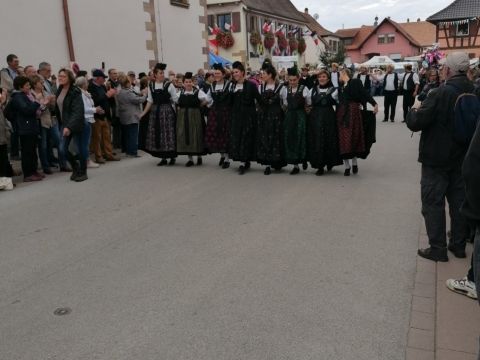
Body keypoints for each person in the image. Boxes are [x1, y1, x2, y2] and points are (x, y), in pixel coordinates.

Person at [406, 52, 473, 262]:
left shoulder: (439, 93)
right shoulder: (475, 90)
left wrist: (414, 109)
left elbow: (416, 123)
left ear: (448, 70)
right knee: (458, 201)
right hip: (463, 156)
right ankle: (458, 245)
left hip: (436, 157)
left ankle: (437, 248)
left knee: (433, 203)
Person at [337, 68, 378, 176]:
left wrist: (374, 104)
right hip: (342, 114)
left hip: (353, 113)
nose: (339, 76)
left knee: (353, 138)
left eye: (340, 74)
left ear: (344, 73)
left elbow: (364, 93)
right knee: (343, 140)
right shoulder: (340, 87)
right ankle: (347, 166)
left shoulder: (354, 82)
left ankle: (354, 162)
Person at [9, 76, 47, 182]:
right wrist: (37, 101)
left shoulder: (24, 95)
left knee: (32, 151)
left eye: (29, 85)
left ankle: (33, 171)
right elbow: (27, 110)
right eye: (27, 85)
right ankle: (28, 174)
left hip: (30, 126)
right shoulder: (18, 97)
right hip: (25, 128)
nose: (29, 87)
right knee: (27, 152)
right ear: (20, 87)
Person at [140, 63, 179, 166]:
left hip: (167, 112)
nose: (162, 75)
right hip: (155, 112)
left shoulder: (169, 85)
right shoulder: (151, 85)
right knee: (158, 133)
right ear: (155, 75)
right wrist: (143, 113)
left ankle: (171, 156)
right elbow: (149, 101)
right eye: (160, 73)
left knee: (168, 134)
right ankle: (163, 157)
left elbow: (176, 99)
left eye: (163, 73)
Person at [307, 69, 342, 175]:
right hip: (315, 117)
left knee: (329, 139)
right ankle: (320, 165)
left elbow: (340, 104)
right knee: (318, 140)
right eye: (320, 77)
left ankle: (330, 162)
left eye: (324, 77)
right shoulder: (312, 90)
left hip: (329, 117)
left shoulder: (334, 90)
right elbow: (308, 103)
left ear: (328, 78)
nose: (321, 79)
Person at [229, 61, 260, 175]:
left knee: (246, 138)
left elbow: (259, 100)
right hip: (236, 116)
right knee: (238, 138)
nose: (235, 74)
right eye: (233, 72)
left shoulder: (251, 85)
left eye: (236, 72)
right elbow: (230, 102)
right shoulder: (232, 85)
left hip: (248, 116)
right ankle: (242, 161)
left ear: (242, 72)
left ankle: (244, 161)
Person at [56, 68, 87, 182]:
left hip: (76, 124)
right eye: (59, 76)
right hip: (64, 124)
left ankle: (83, 172)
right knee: (62, 149)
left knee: (80, 149)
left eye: (63, 76)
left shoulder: (75, 91)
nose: (60, 78)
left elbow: (77, 111)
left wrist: (69, 127)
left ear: (69, 78)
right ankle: (76, 168)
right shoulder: (59, 89)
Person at [256, 64, 286, 175]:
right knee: (265, 138)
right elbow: (258, 102)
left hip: (276, 116)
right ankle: (267, 164)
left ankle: (276, 162)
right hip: (264, 116)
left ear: (270, 75)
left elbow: (285, 102)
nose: (262, 75)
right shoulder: (260, 87)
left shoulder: (281, 87)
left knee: (276, 138)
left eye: (264, 73)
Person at [176, 72, 209, 166]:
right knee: (186, 135)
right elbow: (175, 101)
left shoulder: (197, 91)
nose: (188, 83)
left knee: (197, 134)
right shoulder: (180, 93)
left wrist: (200, 105)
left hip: (195, 116)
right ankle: (190, 159)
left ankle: (199, 156)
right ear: (183, 83)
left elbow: (207, 99)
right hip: (183, 117)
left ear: (192, 82)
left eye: (190, 81)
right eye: (186, 82)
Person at [284, 66, 311, 175]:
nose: (292, 82)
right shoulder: (285, 90)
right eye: (290, 80)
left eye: (294, 80)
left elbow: (309, 102)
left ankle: (303, 159)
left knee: (301, 138)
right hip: (290, 116)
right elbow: (285, 104)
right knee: (291, 138)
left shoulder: (304, 89)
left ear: (298, 79)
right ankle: (295, 165)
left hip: (300, 116)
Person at [88, 69, 119, 163]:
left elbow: (107, 99)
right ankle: (98, 156)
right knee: (97, 138)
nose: (104, 80)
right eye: (102, 78)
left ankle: (108, 154)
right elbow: (94, 101)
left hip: (105, 115)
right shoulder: (91, 87)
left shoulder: (102, 86)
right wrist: (107, 95)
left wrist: (111, 95)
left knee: (107, 136)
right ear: (97, 78)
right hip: (97, 116)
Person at [204, 63, 231, 168]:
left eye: (218, 73)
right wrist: (211, 106)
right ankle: (222, 155)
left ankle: (227, 159)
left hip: (225, 112)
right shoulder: (212, 85)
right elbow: (208, 99)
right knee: (216, 134)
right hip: (215, 112)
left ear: (223, 74)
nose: (216, 75)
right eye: (215, 73)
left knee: (225, 134)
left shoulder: (229, 85)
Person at [30, 75, 56, 175]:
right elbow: (37, 110)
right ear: (35, 84)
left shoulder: (44, 92)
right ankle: (45, 166)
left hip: (48, 121)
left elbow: (52, 108)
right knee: (43, 146)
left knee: (50, 143)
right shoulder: (32, 94)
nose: (42, 84)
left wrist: (52, 102)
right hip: (40, 122)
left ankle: (50, 162)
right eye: (40, 82)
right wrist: (45, 103)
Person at [117, 73, 147, 158]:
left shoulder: (120, 91)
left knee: (127, 135)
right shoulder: (127, 92)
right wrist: (145, 94)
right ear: (126, 83)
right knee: (133, 135)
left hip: (124, 116)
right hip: (132, 116)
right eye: (129, 82)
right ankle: (133, 152)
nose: (131, 83)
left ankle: (128, 151)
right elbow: (138, 100)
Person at [76, 76, 103, 169]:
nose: (88, 84)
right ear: (83, 84)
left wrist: (95, 109)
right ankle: (86, 161)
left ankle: (84, 160)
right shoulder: (81, 94)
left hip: (88, 118)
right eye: (87, 83)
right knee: (84, 142)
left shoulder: (85, 93)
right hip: (85, 119)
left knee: (84, 142)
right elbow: (83, 108)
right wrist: (95, 109)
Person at [1, 54, 20, 160]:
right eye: (15, 61)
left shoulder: (17, 73)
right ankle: (14, 153)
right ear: (9, 62)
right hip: (10, 104)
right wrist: (19, 86)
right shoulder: (4, 73)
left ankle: (16, 151)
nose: (17, 63)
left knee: (17, 127)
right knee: (14, 129)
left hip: (17, 103)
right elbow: (10, 86)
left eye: (18, 61)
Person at [0, 88, 14, 189]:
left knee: (4, 158)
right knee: (2, 158)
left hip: (2, 135)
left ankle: (6, 181)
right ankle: (5, 181)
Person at [107, 68, 122, 151]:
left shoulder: (118, 83)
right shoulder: (109, 83)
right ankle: (115, 143)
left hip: (118, 105)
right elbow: (110, 94)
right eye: (113, 73)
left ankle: (118, 142)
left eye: (116, 73)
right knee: (115, 125)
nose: (115, 75)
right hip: (112, 106)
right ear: (109, 74)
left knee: (118, 125)